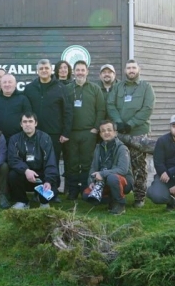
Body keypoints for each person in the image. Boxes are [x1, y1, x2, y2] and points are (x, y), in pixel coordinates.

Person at [107, 59, 155, 208]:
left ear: (138, 69)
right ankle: (117, 193)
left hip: (138, 133)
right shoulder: (118, 87)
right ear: (125, 70)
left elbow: (147, 108)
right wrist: (118, 122)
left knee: (139, 166)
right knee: (119, 164)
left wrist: (131, 124)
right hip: (120, 133)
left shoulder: (146, 87)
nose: (131, 70)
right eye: (128, 68)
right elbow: (110, 104)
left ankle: (139, 197)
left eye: (134, 67)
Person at [24, 59, 72, 198]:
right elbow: (26, 111)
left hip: (54, 133)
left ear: (51, 70)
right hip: (34, 133)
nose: (44, 70)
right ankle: (37, 191)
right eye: (41, 68)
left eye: (46, 68)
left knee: (53, 163)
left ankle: (53, 192)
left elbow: (68, 111)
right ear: (37, 71)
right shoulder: (30, 88)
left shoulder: (60, 87)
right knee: (35, 162)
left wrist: (66, 132)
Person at [65, 60, 106, 200]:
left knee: (87, 162)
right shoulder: (68, 88)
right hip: (72, 133)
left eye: (83, 70)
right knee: (72, 163)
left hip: (89, 132)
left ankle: (85, 188)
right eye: (78, 70)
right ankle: (72, 190)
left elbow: (101, 110)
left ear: (87, 72)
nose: (80, 72)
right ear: (74, 72)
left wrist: (95, 128)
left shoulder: (95, 89)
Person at [7, 113, 59, 210]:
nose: (27, 124)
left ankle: (43, 202)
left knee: (52, 187)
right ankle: (22, 201)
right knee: (12, 175)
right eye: (25, 122)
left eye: (30, 121)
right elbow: (13, 159)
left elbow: (50, 161)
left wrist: (48, 180)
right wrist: (26, 170)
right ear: (21, 124)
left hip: (41, 175)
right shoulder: (14, 139)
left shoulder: (45, 138)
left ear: (36, 123)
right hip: (24, 174)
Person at [81, 120, 132, 215]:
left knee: (112, 178)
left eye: (109, 130)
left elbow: (123, 170)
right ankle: (112, 200)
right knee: (86, 195)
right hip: (103, 181)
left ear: (115, 132)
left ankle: (120, 204)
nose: (106, 133)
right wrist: (91, 181)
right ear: (100, 134)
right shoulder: (98, 148)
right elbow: (93, 167)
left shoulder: (122, 148)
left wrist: (102, 174)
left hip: (123, 181)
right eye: (103, 131)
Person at [0, 73, 32, 139]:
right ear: (1, 85)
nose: (7, 84)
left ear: (15, 84)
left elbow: (28, 117)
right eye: (4, 82)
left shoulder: (23, 99)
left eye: (10, 82)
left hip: (18, 138)